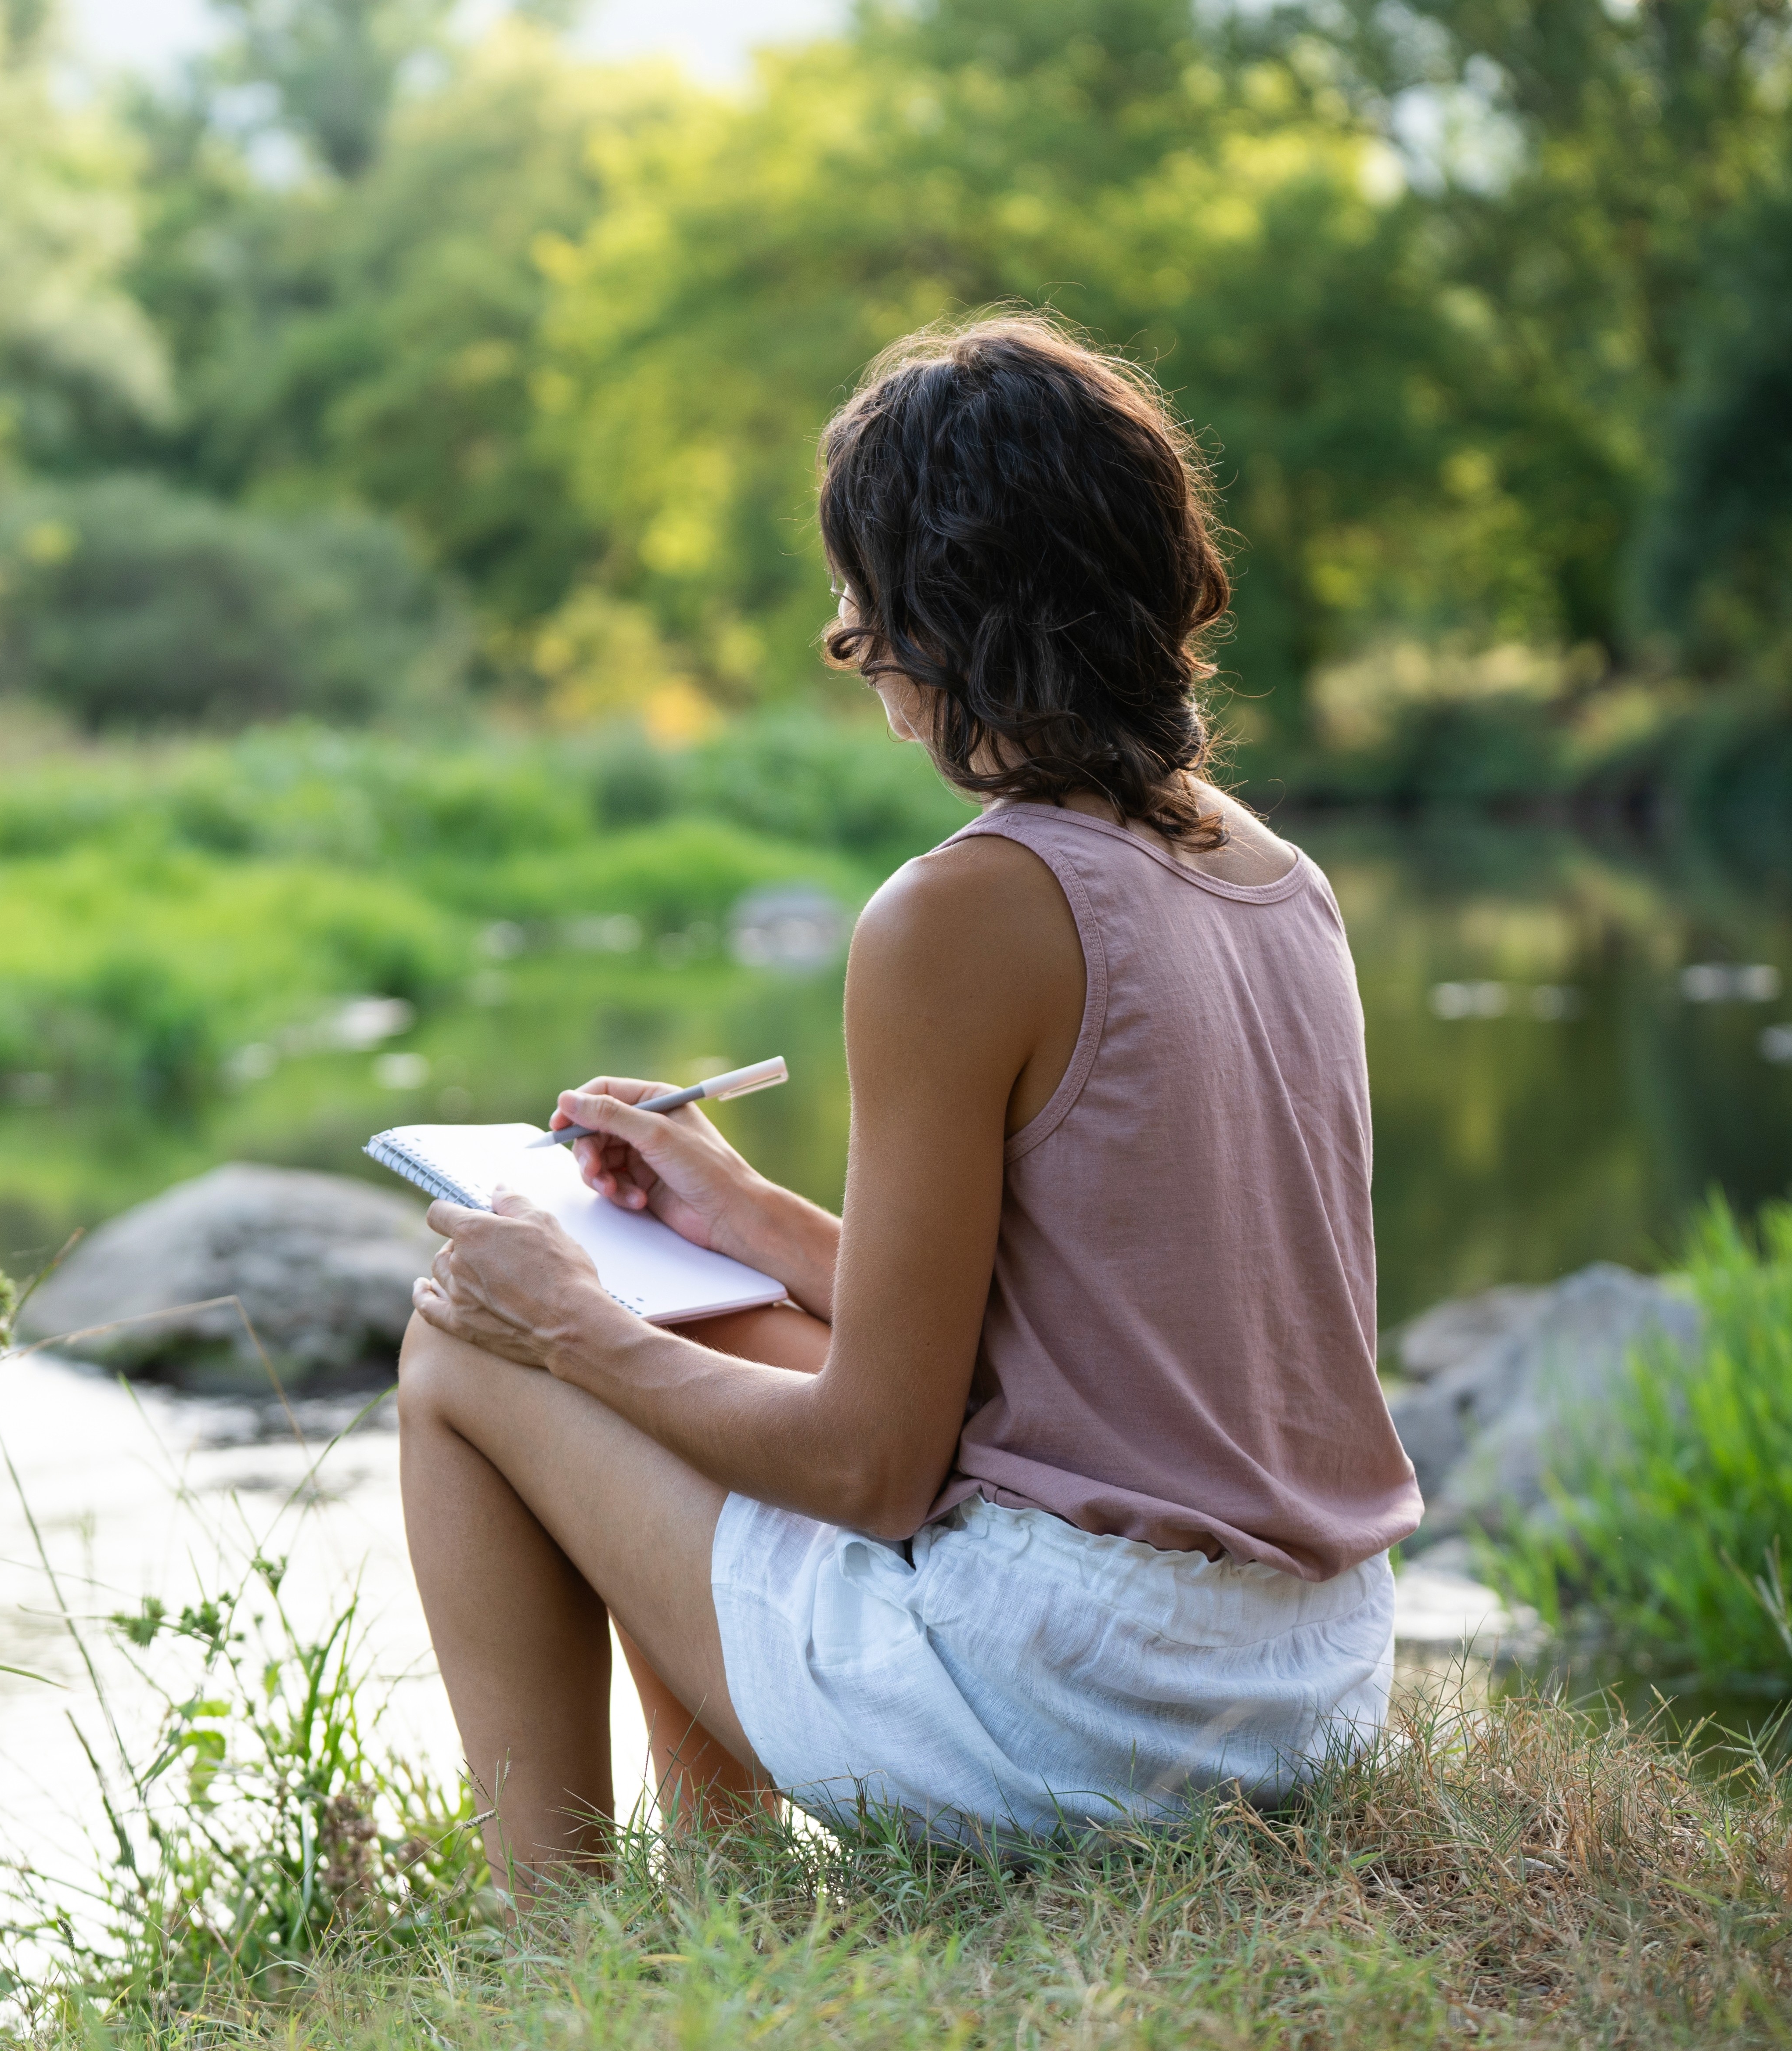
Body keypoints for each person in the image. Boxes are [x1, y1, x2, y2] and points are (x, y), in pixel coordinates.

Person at [398, 312, 1422, 1891]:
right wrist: (733, 1212)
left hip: (1089, 1708)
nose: (849, 633)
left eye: (860, 595)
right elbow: (1097, 1327)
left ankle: (561, 1946)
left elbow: (876, 1464)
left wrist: (569, 1330)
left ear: (935, 616)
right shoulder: (1279, 879)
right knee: (697, 1312)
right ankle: (725, 1891)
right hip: (1311, 1686)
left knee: (466, 1337)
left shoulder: (961, 912)